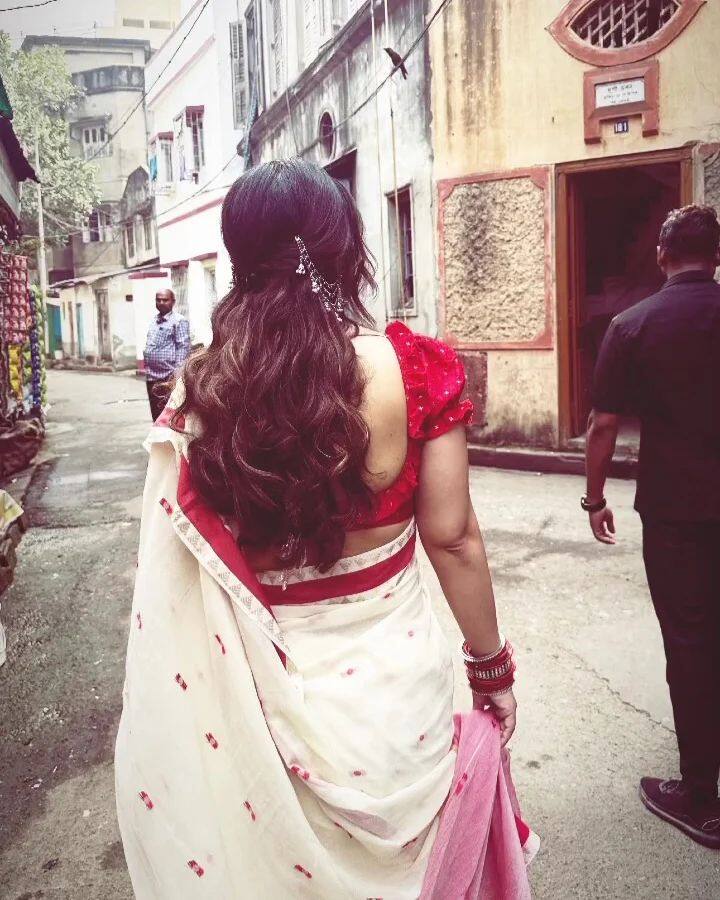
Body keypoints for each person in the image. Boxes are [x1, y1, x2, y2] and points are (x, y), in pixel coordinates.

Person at [116, 159, 537, 897]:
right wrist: (490, 668)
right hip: (398, 706)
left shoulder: (204, 391)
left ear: (239, 255)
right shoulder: (413, 368)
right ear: (344, 245)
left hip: (261, 709)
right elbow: (452, 539)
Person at [584, 204, 720, 850]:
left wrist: (594, 499)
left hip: (674, 509)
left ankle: (702, 798)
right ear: (716, 257)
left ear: (663, 256)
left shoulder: (632, 325)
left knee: (689, 643)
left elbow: (603, 425)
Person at [143, 288, 191, 421]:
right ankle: (157, 434)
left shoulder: (179, 321)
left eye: (165, 300)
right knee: (155, 414)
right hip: (152, 376)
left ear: (173, 302)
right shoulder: (154, 320)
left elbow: (183, 348)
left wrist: (177, 375)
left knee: (168, 415)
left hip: (168, 377)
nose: (161, 302)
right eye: (158, 300)